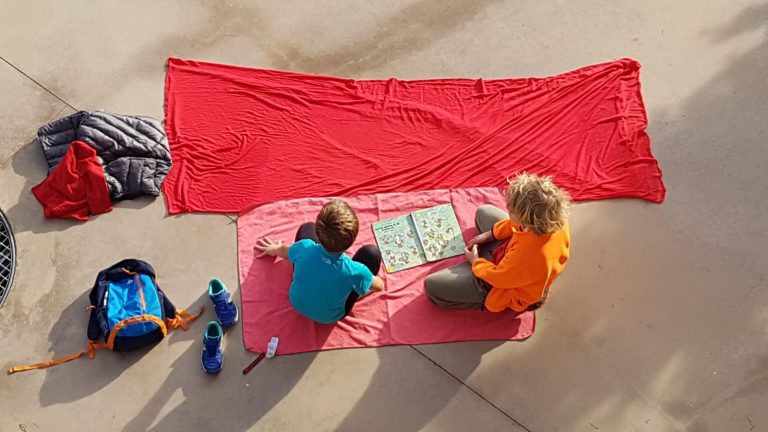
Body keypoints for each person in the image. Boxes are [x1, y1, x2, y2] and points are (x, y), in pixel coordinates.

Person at [425, 173, 571, 313]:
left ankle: (480, 292)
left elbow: (498, 278)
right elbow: (517, 225)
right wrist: (491, 234)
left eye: (511, 210)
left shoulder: (529, 256)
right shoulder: (552, 220)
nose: (507, 208)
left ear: (526, 218)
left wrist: (476, 261)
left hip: (503, 286)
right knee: (484, 212)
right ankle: (485, 260)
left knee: (432, 286)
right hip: (511, 256)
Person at [254, 199, 385, 324]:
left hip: (297, 303)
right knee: (371, 253)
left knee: (306, 228)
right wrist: (365, 277)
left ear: (319, 231)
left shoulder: (304, 247)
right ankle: (356, 287)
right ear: (351, 241)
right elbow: (379, 287)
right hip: (330, 316)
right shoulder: (355, 271)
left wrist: (274, 249)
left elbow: (283, 251)